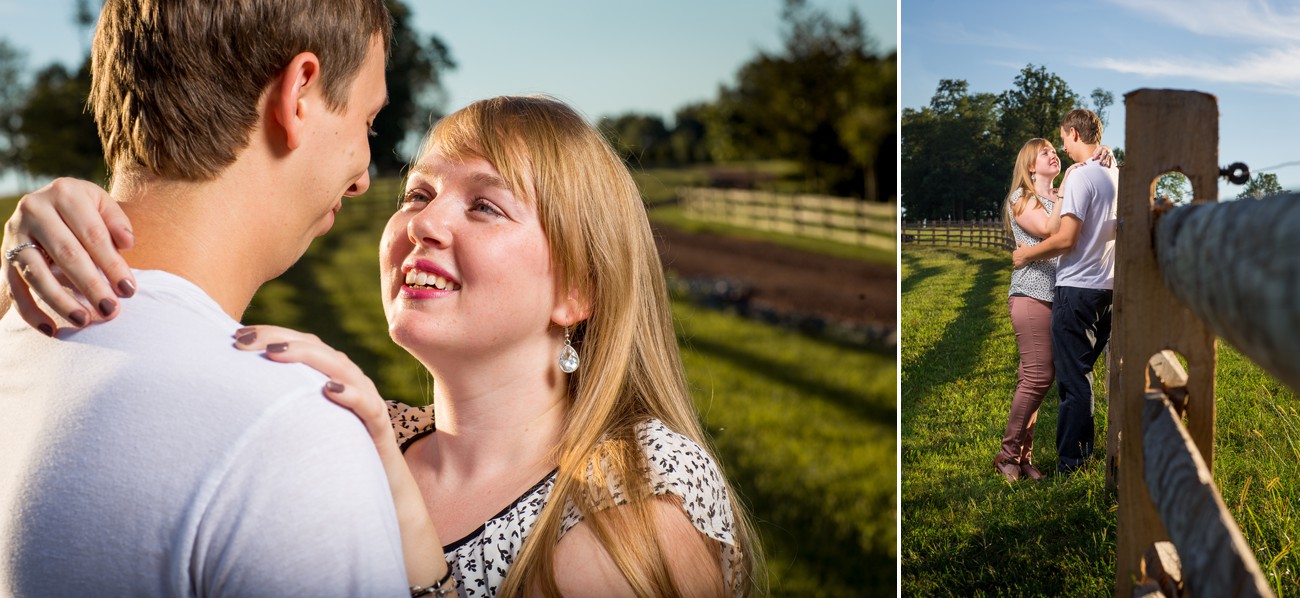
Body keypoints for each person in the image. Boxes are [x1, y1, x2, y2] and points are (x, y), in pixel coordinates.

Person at [3, 96, 761, 596]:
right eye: (419, 194)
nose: (424, 223)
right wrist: (44, 256)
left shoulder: (639, 495)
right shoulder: (360, 438)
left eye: (486, 205)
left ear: (579, 291)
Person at [0, 1, 450, 596]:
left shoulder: (17, 338)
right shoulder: (293, 437)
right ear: (299, 94)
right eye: (368, 123)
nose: (365, 176)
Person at [1012, 108, 1119, 475]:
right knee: (1070, 374)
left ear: (1074, 134)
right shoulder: (1114, 173)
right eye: (1046, 150)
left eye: (1060, 139)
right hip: (1103, 289)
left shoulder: (1079, 177)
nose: (1059, 147)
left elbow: (1066, 237)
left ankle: (1072, 463)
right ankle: (1043, 455)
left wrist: (1025, 254)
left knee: (1072, 380)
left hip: (1076, 289)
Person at [995, 138, 1064, 482]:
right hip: (1030, 295)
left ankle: (1024, 458)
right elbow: (1053, 231)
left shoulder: (1056, 197)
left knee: (1032, 377)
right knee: (1039, 377)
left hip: (1055, 297)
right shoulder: (1022, 198)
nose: (1054, 155)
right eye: (1045, 154)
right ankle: (1007, 455)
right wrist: (1068, 192)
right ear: (1030, 167)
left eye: (1055, 150)